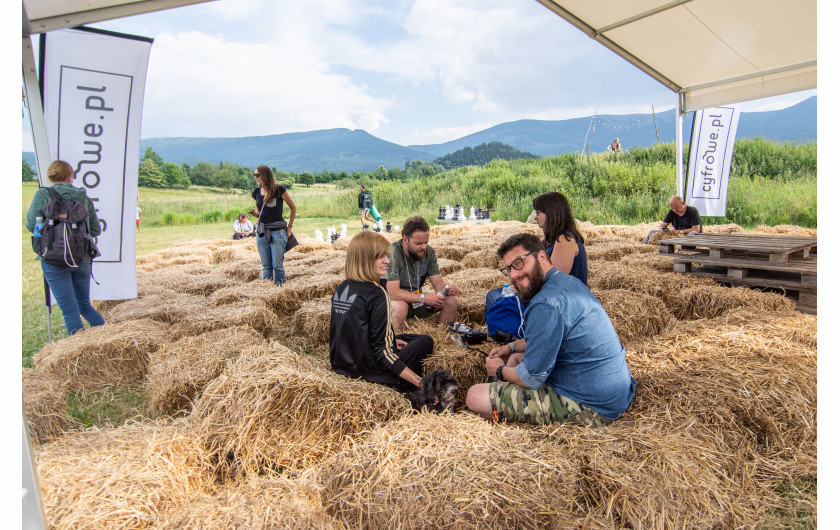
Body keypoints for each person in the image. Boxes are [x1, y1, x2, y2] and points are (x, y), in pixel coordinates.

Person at [466, 233, 636, 426]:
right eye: (508, 269)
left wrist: (498, 370)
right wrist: (511, 347)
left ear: (541, 257)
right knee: (515, 359)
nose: (513, 274)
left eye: (519, 263)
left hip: (590, 405)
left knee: (474, 396)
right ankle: (503, 399)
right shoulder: (567, 282)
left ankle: (502, 409)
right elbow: (547, 337)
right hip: (611, 391)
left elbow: (530, 378)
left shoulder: (545, 304)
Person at [329, 230, 434, 393]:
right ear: (366, 259)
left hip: (342, 366)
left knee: (405, 339)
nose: (387, 261)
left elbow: (349, 332)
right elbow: (382, 353)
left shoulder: (342, 287)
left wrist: (391, 341)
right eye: (381, 257)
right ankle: (402, 387)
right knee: (425, 342)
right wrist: (420, 382)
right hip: (369, 373)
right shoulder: (377, 293)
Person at [25, 160, 106, 336]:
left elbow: (31, 225)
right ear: (71, 176)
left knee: (69, 310)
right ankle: (106, 341)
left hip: (52, 257)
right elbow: (95, 229)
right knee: (84, 305)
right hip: (81, 256)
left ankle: (79, 351)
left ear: (50, 177)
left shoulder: (42, 194)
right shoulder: (81, 195)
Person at [387, 216, 459, 333]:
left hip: (416, 302)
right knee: (400, 306)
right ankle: (398, 345)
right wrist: (423, 298)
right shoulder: (392, 253)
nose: (424, 247)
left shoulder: (429, 252)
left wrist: (447, 289)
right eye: (419, 243)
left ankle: (444, 340)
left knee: (450, 300)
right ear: (405, 240)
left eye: (426, 242)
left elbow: (438, 284)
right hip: (393, 303)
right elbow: (393, 293)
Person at [249, 165, 296, 284]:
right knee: (266, 266)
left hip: (277, 231)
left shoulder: (279, 189)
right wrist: (255, 214)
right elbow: (260, 213)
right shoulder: (256, 192)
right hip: (261, 232)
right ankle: (268, 292)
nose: (255, 177)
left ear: (265, 175)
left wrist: (289, 227)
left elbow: (293, 207)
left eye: (257, 175)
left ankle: (280, 292)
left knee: (277, 266)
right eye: (254, 175)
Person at [532, 191, 588, 285]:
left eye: (538, 213)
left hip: (568, 298)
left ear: (551, 213)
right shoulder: (553, 240)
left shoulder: (565, 240)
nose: (535, 217)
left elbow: (554, 281)